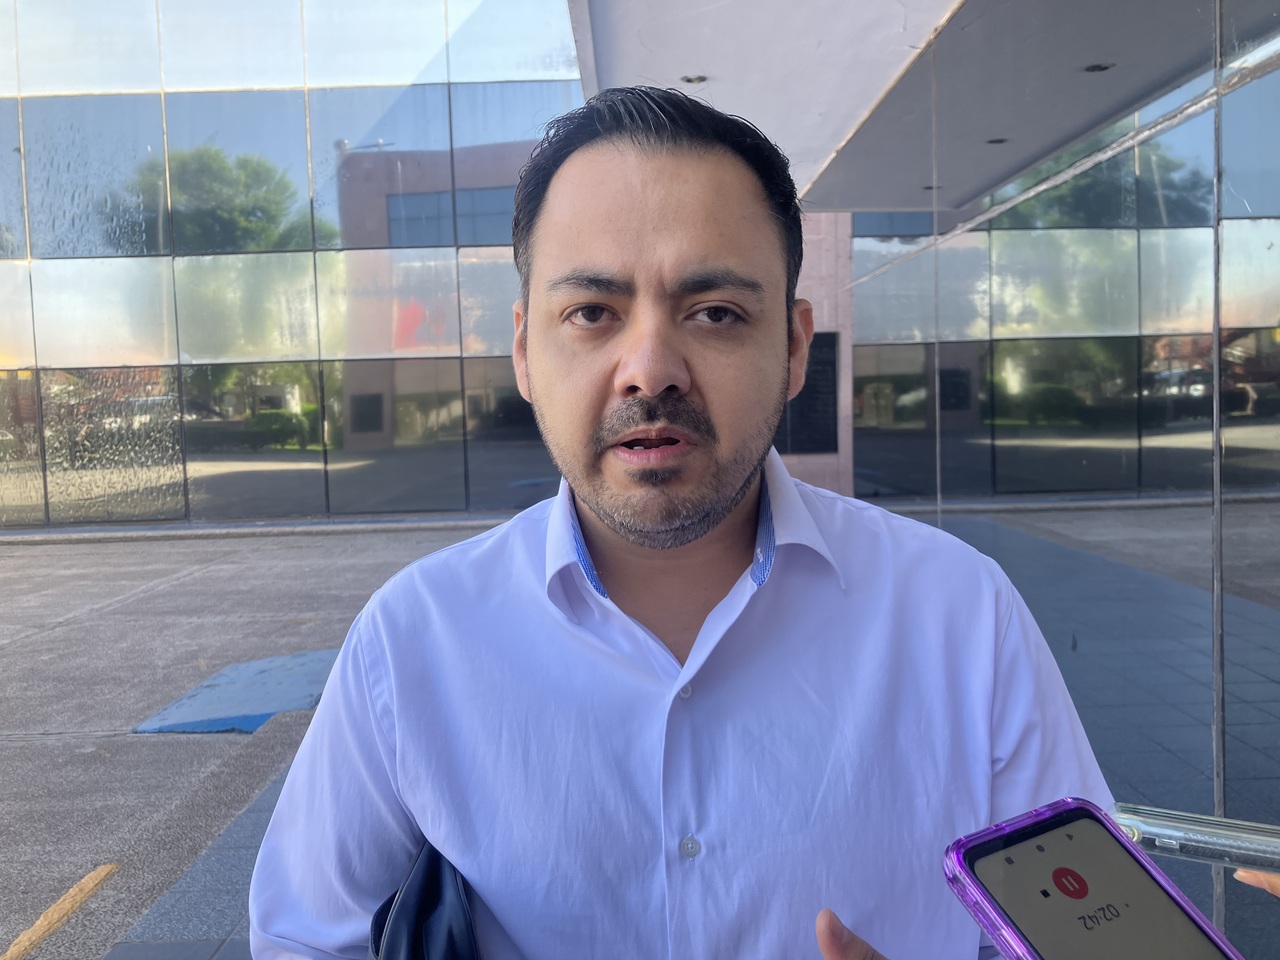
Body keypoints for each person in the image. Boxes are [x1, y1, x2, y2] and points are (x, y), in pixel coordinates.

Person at [249, 86, 1110, 960]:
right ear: (524, 350)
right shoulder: (412, 640)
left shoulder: (963, 616)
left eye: (715, 313)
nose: (651, 369)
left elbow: (1095, 939)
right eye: (592, 313)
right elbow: (303, 939)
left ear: (795, 347)